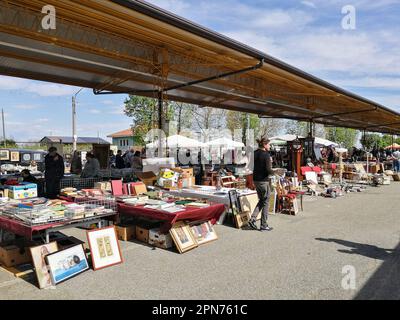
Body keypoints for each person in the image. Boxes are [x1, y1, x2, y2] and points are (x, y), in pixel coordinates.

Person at [248, 137, 274, 232]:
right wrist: (275, 172)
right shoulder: (266, 155)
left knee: (262, 200)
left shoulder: (254, 153)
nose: (270, 146)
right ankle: (264, 225)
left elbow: (250, 166)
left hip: (256, 180)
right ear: (264, 145)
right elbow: (268, 170)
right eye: (269, 144)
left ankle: (253, 219)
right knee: (266, 202)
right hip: (263, 180)